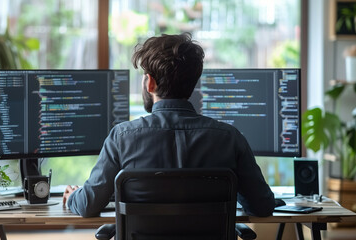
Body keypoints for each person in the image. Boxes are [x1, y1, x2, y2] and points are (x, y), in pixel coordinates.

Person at [63, 33, 275, 217]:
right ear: (192, 83)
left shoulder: (122, 137)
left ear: (150, 83)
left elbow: (88, 205)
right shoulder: (229, 138)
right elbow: (263, 206)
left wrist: (73, 197)